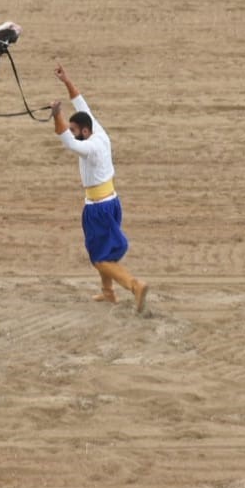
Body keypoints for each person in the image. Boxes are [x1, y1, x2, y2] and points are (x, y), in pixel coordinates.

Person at [50, 63, 149, 313]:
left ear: (84, 131)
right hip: (112, 201)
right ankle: (108, 292)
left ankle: (134, 285)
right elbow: (81, 103)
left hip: (98, 208)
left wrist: (56, 115)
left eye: (75, 130)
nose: (72, 133)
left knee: (100, 258)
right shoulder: (99, 132)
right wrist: (66, 80)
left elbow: (69, 144)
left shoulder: (91, 147)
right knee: (104, 250)